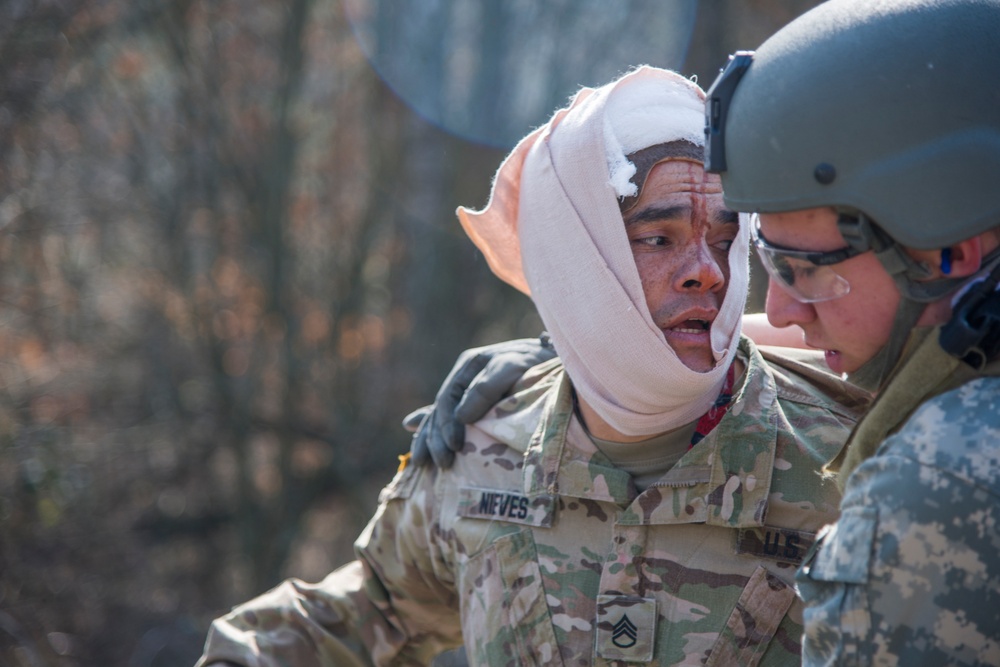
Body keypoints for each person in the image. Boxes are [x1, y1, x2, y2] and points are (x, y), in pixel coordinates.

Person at [196, 66, 868, 667]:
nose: (706, 273)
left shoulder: (855, 463)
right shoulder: (484, 444)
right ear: (578, 257)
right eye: (658, 238)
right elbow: (364, 612)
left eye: (724, 239)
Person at [701, 0, 1000, 664]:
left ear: (949, 250)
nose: (780, 311)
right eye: (766, 262)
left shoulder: (938, 482)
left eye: (803, 270)